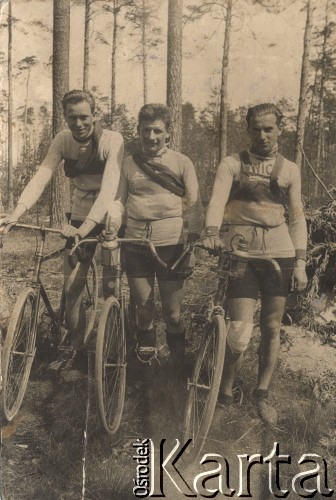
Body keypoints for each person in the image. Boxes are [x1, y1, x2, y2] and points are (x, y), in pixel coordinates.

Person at [0, 89, 124, 365]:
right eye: (72, 119)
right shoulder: (62, 140)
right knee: (71, 289)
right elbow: (42, 175)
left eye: (84, 118)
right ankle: (77, 347)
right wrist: (16, 214)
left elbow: (109, 190)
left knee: (111, 288)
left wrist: (86, 228)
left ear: (96, 115)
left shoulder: (111, 140)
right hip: (80, 214)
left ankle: (116, 344)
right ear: (65, 118)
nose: (78, 124)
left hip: (110, 213)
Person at [202, 103, 308, 425]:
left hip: (279, 253)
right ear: (247, 130)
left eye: (269, 129)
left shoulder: (289, 170)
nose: (262, 135)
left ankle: (262, 394)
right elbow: (217, 200)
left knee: (272, 326)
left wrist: (301, 261)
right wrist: (210, 232)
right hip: (242, 251)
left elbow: (298, 215)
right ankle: (225, 393)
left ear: (279, 130)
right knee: (239, 331)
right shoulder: (232, 164)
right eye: (256, 129)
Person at [105, 103, 203, 365]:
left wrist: (192, 248)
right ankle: (144, 368)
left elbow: (193, 207)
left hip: (172, 245)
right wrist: (113, 224)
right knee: (144, 310)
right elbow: (118, 201)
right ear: (138, 131)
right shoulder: (128, 164)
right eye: (146, 130)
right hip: (136, 242)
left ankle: (177, 365)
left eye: (157, 131)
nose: (151, 137)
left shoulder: (182, 163)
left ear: (168, 133)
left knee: (172, 313)